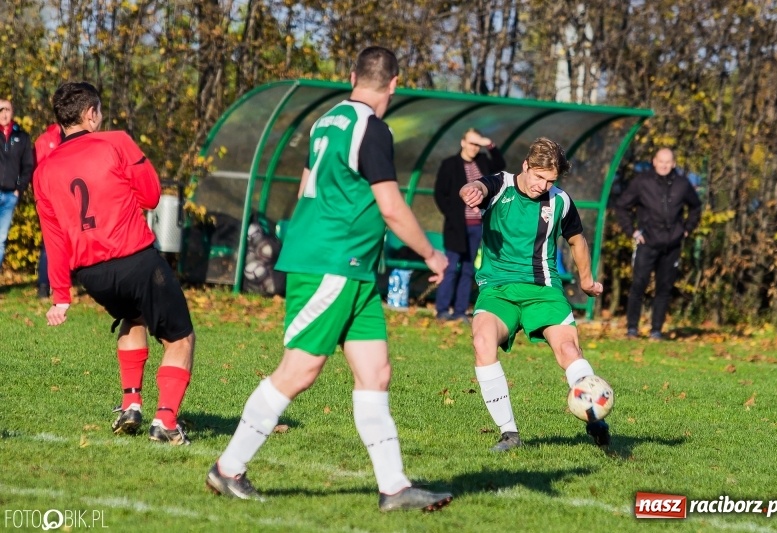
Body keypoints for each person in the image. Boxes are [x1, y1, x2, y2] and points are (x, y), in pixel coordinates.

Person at [206, 46, 453, 512]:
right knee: (300, 369)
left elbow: (305, 188)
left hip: (351, 265)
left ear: (352, 75)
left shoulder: (326, 121)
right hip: (331, 263)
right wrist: (432, 255)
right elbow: (391, 206)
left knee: (376, 373)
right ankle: (228, 467)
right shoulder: (372, 129)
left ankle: (395, 487)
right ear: (395, 84)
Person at [33, 82, 195, 445]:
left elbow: (54, 238)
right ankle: (166, 422)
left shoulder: (43, 171)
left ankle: (131, 404)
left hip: (93, 275)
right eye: (99, 111)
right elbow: (153, 197)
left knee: (132, 318)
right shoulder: (116, 141)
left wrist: (61, 295)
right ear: (91, 114)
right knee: (180, 338)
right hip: (136, 259)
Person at [459, 137, 610, 452]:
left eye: (550, 180)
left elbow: (577, 240)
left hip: (542, 289)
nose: (543, 185)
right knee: (482, 343)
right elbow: (478, 188)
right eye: (538, 176)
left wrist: (586, 281)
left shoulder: (560, 201)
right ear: (525, 166)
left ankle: (594, 415)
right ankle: (509, 434)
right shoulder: (500, 185)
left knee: (568, 350)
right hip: (497, 289)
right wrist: (470, 191)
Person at [615, 148, 701, 340]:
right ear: (654, 161)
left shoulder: (682, 184)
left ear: (673, 164)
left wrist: (686, 229)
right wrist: (633, 231)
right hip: (647, 242)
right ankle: (632, 329)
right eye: (661, 161)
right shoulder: (642, 182)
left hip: (672, 244)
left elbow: (696, 207)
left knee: (664, 288)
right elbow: (622, 206)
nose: (664, 165)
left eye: (668, 162)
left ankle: (656, 330)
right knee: (638, 285)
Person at [433, 128, 505, 323]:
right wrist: (451, 214)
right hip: (456, 227)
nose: (474, 148)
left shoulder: (482, 162)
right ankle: (441, 309)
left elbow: (500, 167)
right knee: (451, 267)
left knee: (468, 269)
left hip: (477, 226)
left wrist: (488, 144)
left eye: (477, 144)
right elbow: (440, 193)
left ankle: (460, 310)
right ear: (463, 142)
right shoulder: (450, 164)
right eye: (472, 143)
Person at [0, 99, 34, 270]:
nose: (3, 113)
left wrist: (19, 189)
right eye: (0, 110)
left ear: (12, 112)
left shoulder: (22, 137)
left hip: (9, 195)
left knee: (1, 238)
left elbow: (28, 165)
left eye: (7, 109)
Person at [32, 123, 64, 299]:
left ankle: (61, 286)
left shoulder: (75, 139)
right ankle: (44, 286)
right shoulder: (45, 141)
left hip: (70, 200)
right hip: (50, 200)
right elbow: (37, 172)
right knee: (49, 244)